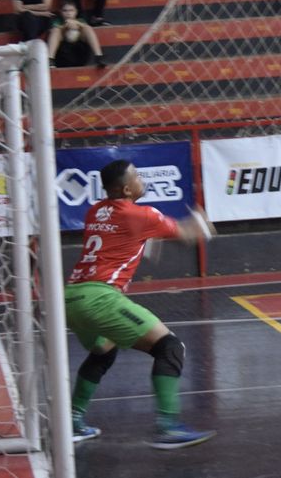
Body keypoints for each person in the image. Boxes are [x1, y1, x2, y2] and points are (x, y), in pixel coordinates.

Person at [66, 159, 217, 449]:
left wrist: (149, 242)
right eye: (136, 176)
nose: (141, 180)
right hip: (100, 297)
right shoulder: (142, 214)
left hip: (71, 297)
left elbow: (122, 237)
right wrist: (202, 223)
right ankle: (168, 427)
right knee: (169, 347)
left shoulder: (95, 211)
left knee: (103, 351)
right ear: (126, 189)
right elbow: (186, 234)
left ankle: (73, 421)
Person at [47, 0, 107, 68]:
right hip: (62, 53)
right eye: (65, 11)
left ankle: (99, 56)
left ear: (76, 12)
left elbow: (85, 27)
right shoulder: (57, 21)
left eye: (71, 10)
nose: (68, 13)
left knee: (87, 28)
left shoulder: (80, 20)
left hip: (79, 52)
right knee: (55, 30)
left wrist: (77, 24)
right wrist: (65, 26)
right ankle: (50, 59)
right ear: (60, 12)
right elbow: (53, 30)